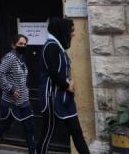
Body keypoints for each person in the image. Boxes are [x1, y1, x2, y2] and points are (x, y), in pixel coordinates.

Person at [37, 18, 90, 154]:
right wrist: (67, 85)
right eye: (71, 30)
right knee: (47, 131)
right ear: (62, 30)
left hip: (64, 97)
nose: (73, 34)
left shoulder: (57, 46)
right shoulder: (51, 46)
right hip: (52, 97)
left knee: (76, 131)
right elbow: (54, 73)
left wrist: (68, 84)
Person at [0, 34, 35, 154]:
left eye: (25, 44)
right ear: (13, 45)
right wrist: (11, 90)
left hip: (24, 101)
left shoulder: (21, 57)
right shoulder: (10, 57)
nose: (23, 46)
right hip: (11, 103)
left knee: (30, 129)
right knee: (4, 127)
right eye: (20, 44)